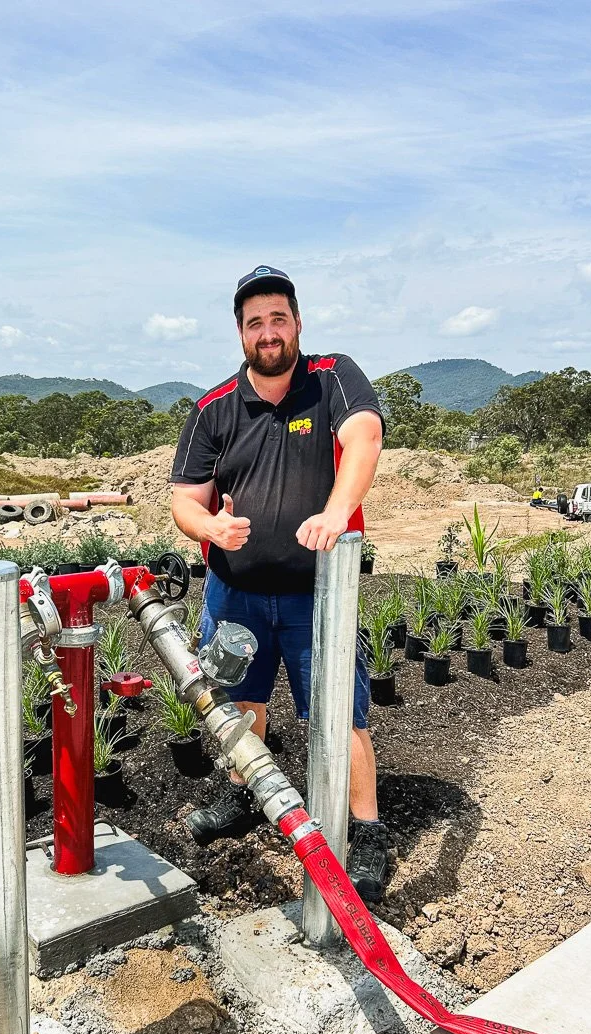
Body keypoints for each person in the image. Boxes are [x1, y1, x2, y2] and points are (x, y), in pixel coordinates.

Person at [169, 265, 388, 902]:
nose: (269, 332)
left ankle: (365, 831)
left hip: (316, 595)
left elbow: (365, 437)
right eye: (255, 322)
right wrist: (211, 527)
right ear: (240, 333)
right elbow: (184, 499)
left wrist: (335, 512)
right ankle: (241, 796)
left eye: (278, 319)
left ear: (297, 323)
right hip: (235, 592)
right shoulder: (212, 409)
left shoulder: (332, 378)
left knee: (339, 713)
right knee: (241, 704)